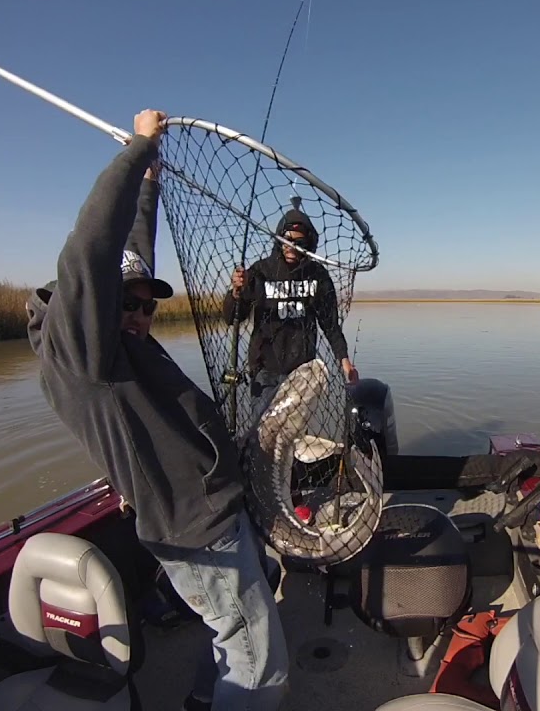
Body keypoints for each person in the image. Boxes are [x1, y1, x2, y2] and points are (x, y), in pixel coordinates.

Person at [24, 109, 289, 711]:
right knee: (259, 667)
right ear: (92, 307)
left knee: (234, 632)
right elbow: (94, 251)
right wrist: (136, 150)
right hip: (196, 528)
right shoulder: (82, 355)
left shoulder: (122, 341)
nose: (143, 316)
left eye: (148, 306)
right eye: (130, 306)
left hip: (209, 510)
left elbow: (129, 258)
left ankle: (203, 695)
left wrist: (150, 185)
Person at [222, 208, 358, 422]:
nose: (292, 247)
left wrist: (344, 360)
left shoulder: (318, 276)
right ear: (279, 239)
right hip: (264, 370)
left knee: (293, 436)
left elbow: (330, 325)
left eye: (300, 243)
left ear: (309, 244)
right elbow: (232, 318)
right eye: (287, 240)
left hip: (302, 373)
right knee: (263, 433)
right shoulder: (260, 271)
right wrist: (236, 292)